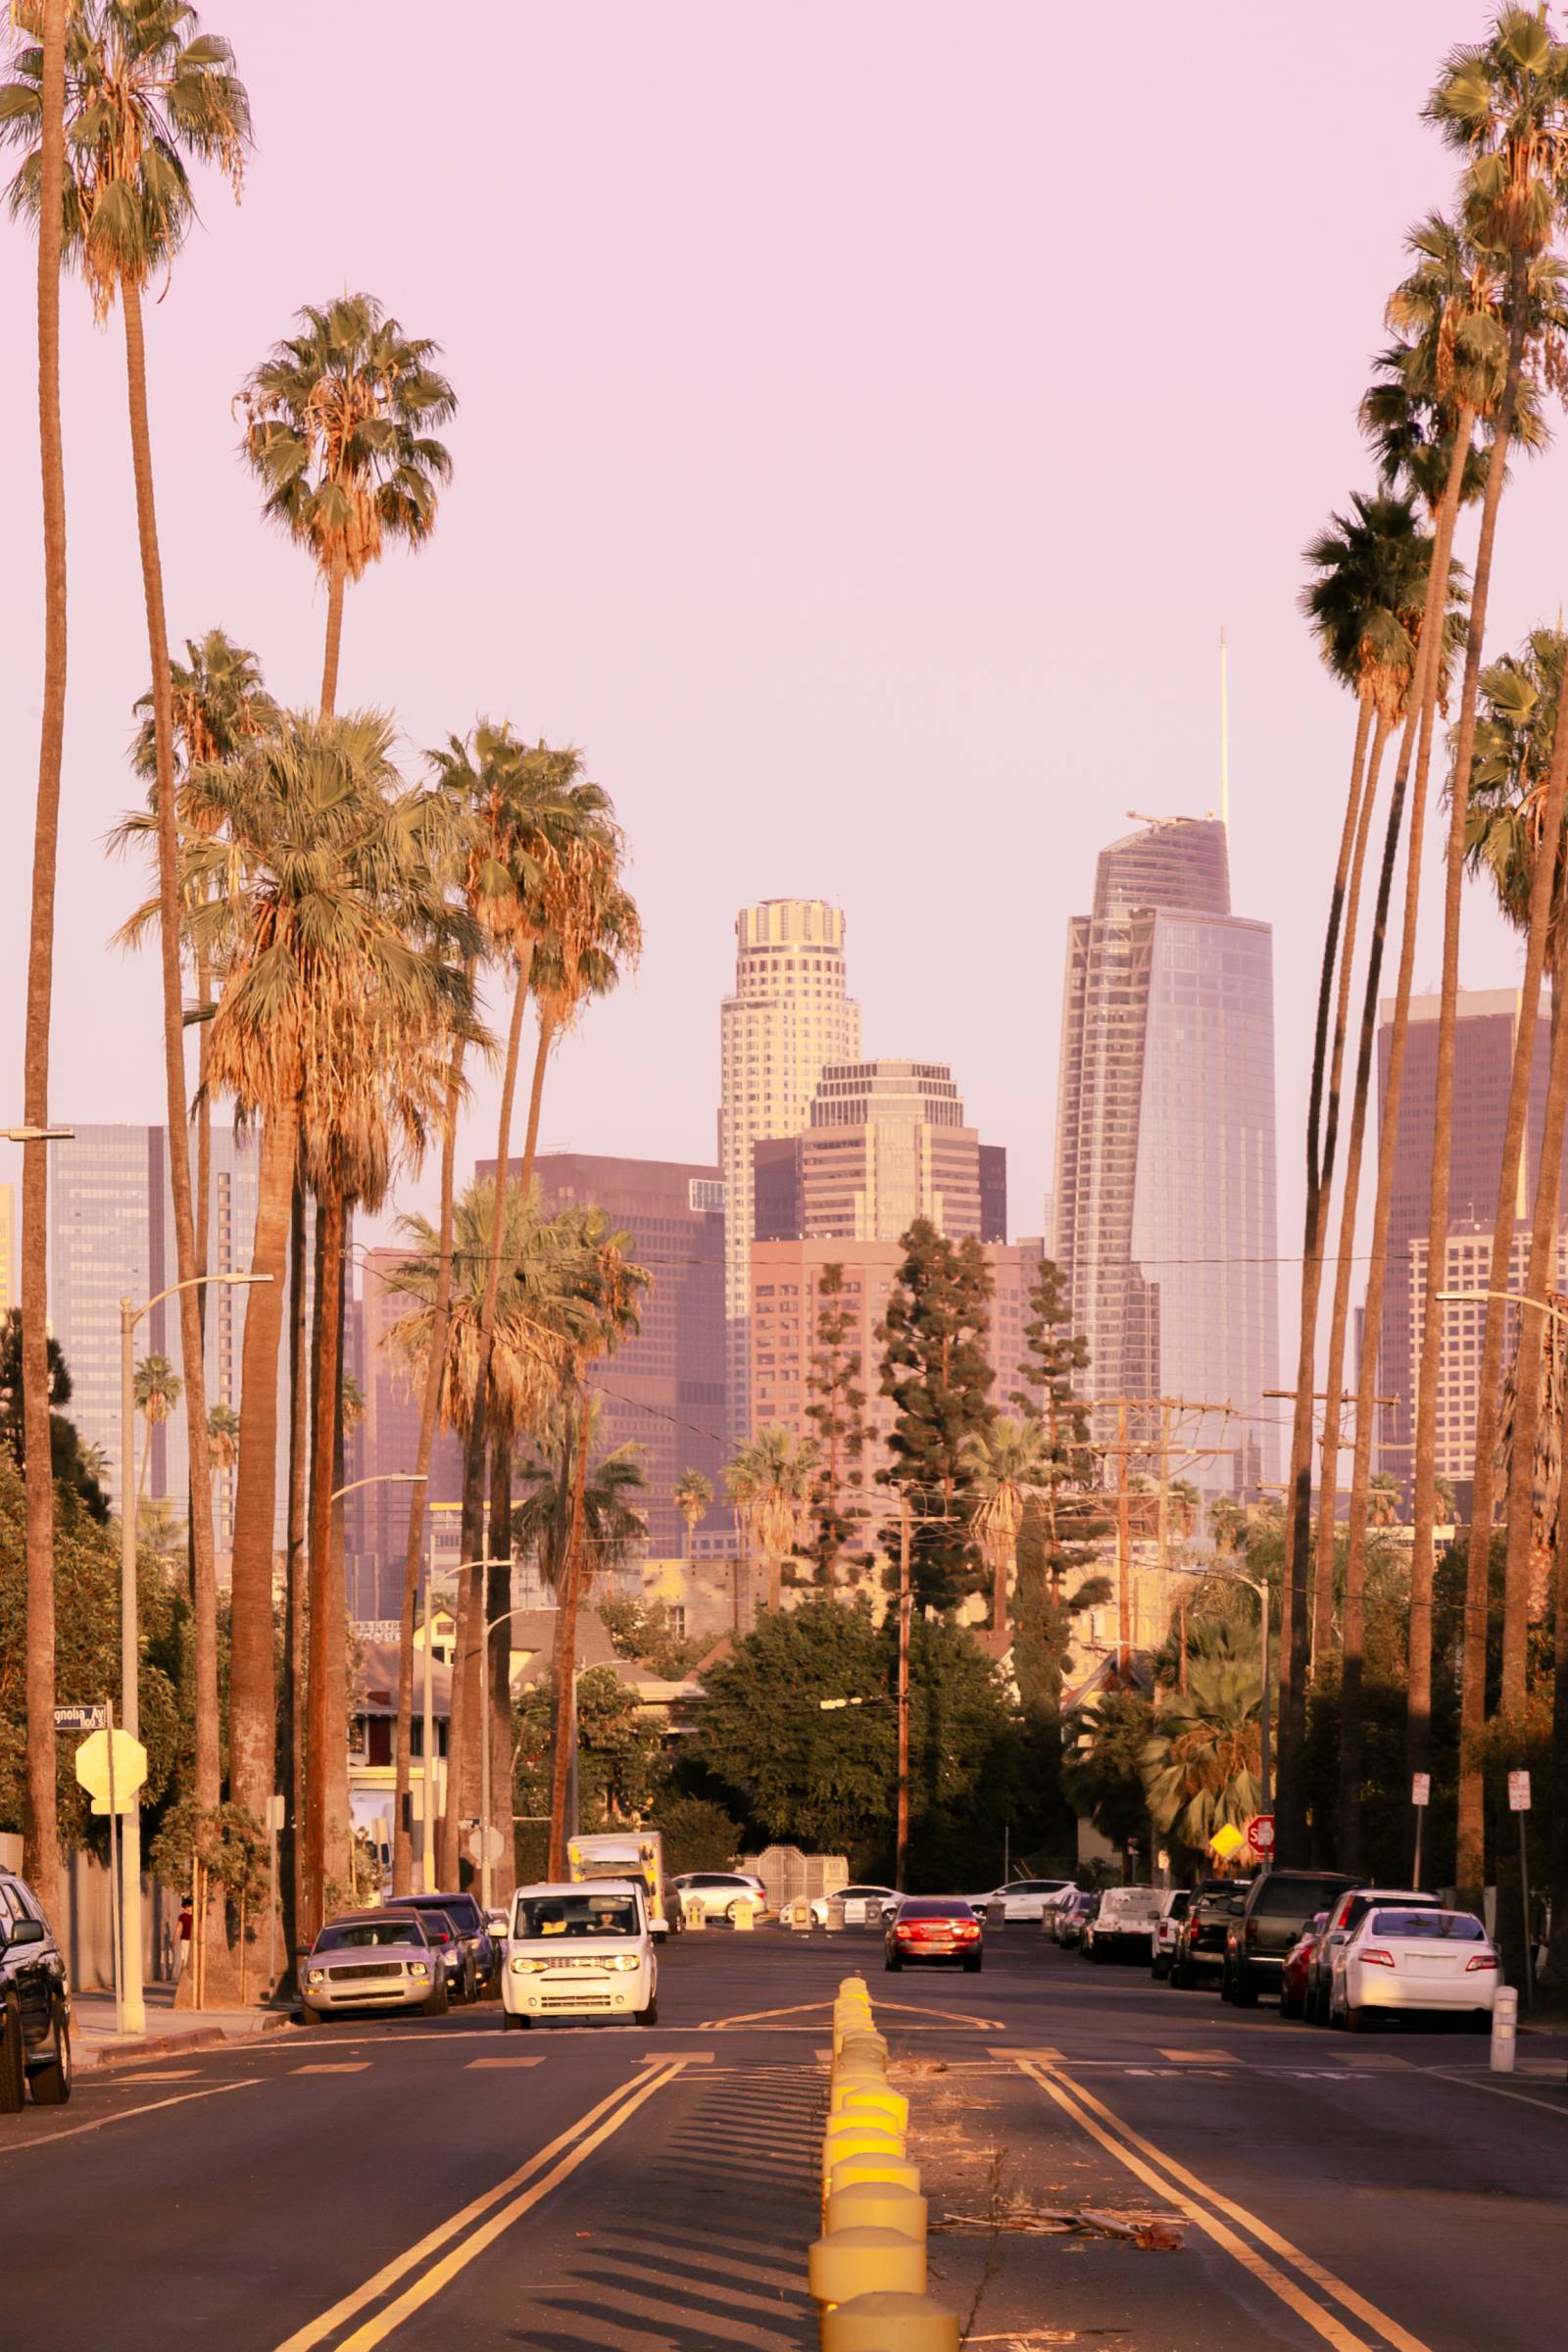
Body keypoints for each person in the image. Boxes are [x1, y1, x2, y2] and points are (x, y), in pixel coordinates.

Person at [172, 1893, 193, 1984]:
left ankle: (187, 1978)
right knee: (184, 1958)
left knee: (190, 1958)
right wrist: (174, 1938)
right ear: (184, 1907)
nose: (189, 1908)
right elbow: (179, 1927)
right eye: (187, 1906)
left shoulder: (196, 1916)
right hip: (185, 1939)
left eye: (190, 1906)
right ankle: (182, 1978)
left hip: (193, 1940)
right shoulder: (182, 1916)